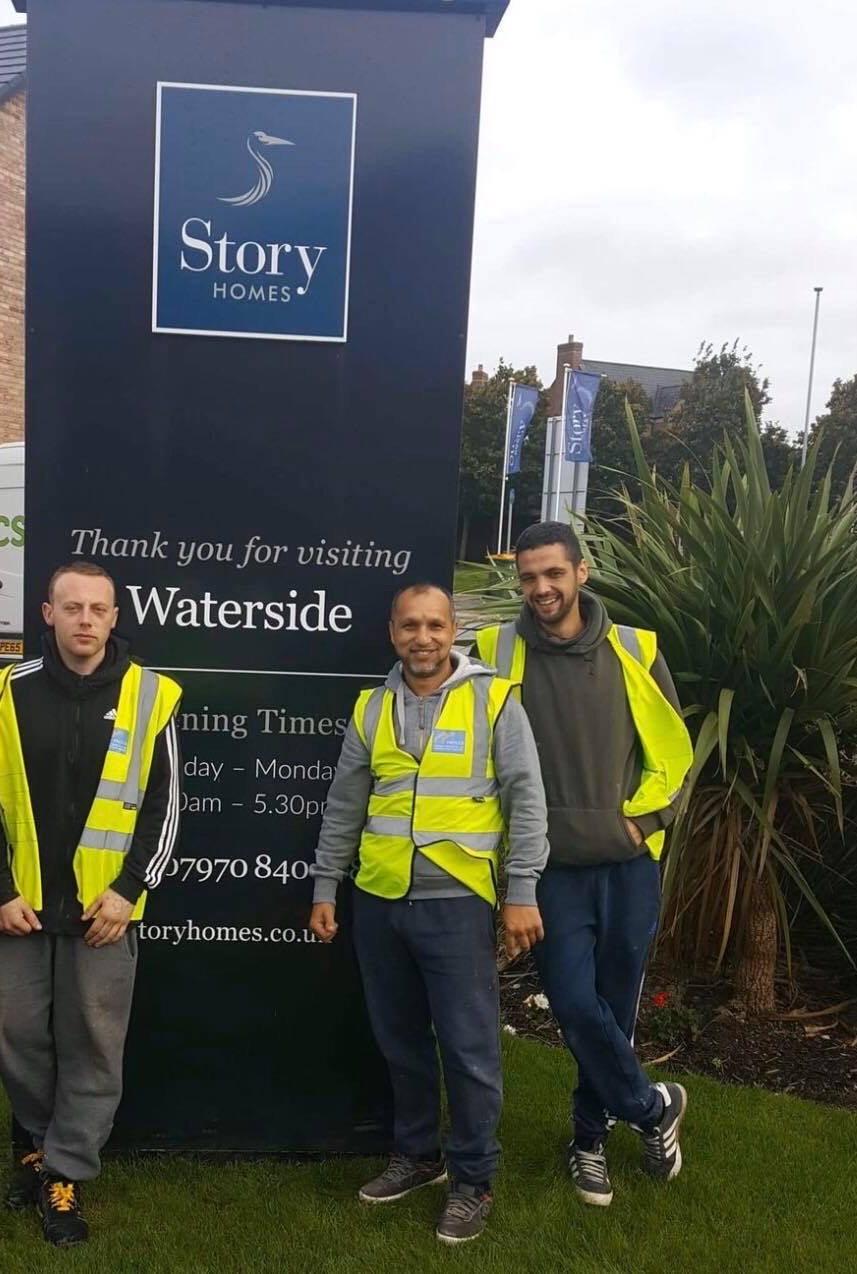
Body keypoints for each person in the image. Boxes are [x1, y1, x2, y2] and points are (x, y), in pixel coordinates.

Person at [309, 583, 548, 1246]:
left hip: (456, 904)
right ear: (392, 632)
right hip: (380, 901)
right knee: (400, 1043)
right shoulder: (372, 708)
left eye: (435, 625)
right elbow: (343, 805)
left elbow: (526, 804)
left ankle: (473, 1180)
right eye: (410, 626)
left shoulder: (493, 701)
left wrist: (521, 891)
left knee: (470, 1052)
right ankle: (418, 1157)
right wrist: (326, 886)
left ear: (453, 631)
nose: (423, 638)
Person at [475, 521, 694, 1207]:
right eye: (529, 577)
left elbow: (675, 755)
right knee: (574, 1006)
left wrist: (644, 822)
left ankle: (588, 1141)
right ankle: (652, 1108)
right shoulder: (494, 648)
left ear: (581, 571)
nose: (540, 588)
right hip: (548, 871)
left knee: (612, 1013)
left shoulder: (633, 649)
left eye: (552, 574)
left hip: (627, 868)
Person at [0, 560, 182, 1248]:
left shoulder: (153, 696)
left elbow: (166, 805)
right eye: (72, 607)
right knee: (17, 1036)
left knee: (93, 1046)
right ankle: (35, 1146)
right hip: (17, 912)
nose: (85, 620)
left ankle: (64, 1173)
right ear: (47, 614)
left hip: (103, 913)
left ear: (115, 617)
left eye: (98, 608)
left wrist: (129, 889)